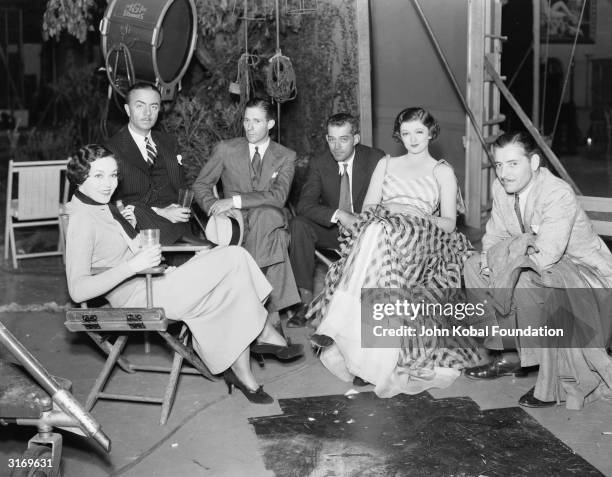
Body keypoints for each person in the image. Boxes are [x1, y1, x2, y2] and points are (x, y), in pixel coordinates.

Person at [64, 144, 302, 404]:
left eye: (113, 175)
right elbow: (78, 290)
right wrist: (132, 266)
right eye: (98, 176)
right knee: (234, 257)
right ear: (80, 177)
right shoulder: (82, 219)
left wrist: (146, 253)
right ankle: (262, 331)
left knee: (232, 278)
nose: (108, 184)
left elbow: (123, 251)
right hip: (137, 295)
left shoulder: (102, 206)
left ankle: (244, 372)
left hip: (152, 280)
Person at [309, 107, 479, 397]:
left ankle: (337, 321)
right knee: (375, 230)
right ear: (399, 135)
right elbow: (368, 208)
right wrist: (392, 210)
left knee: (377, 233)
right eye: (406, 133)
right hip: (384, 229)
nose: (413, 139)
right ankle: (365, 361)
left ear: (430, 133)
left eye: (419, 132)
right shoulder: (387, 164)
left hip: (424, 234)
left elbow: (450, 224)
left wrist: (413, 212)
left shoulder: (442, 170)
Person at [463, 131, 612, 409]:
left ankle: (549, 375)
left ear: (533, 163)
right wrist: (487, 260)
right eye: (498, 165)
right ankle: (508, 355)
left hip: (583, 273)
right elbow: (494, 236)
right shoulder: (501, 188)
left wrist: (508, 260)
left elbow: (547, 256)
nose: (504, 173)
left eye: (512, 164)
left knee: (522, 279)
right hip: (529, 259)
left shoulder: (556, 193)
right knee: (473, 267)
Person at [192, 97, 300, 319]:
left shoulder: (286, 156)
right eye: (246, 120)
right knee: (274, 239)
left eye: (257, 121)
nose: (249, 127)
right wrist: (214, 207)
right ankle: (271, 318)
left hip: (268, 220)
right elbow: (201, 184)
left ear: (270, 124)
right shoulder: (226, 149)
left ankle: (251, 303)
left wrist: (233, 200)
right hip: (235, 224)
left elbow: (278, 197)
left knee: (266, 214)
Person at [287, 113, 385, 327]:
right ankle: (304, 303)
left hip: (366, 232)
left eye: (343, 139)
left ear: (356, 139)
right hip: (334, 230)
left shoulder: (375, 159)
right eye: (331, 139)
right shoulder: (320, 163)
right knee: (299, 224)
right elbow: (305, 205)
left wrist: (364, 221)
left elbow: (388, 200)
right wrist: (339, 214)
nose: (336, 146)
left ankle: (366, 308)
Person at [105, 82, 204, 246]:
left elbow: (182, 185)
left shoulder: (168, 142)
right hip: (140, 228)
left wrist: (182, 206)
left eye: (154, 106)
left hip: (178, 222)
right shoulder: (111, 149)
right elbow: (113, 202)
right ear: (128, 110)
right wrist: (160, 212)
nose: (147, 113)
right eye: (140, 106)